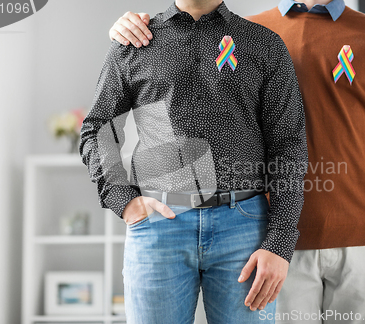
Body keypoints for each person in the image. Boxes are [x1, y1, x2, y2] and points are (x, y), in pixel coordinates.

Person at [107, 0, 365, 322]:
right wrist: (129, 29)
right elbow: (107, 123)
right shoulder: (250, 32)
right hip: (272, 241)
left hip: (357, 241)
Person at [79, 0, 308, 323]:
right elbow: (96, 128)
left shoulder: (263, 44)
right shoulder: (135, 42)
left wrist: (280, 243)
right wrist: (124, 201)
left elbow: (288, 145)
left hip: (245, 229)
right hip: (158, 227)